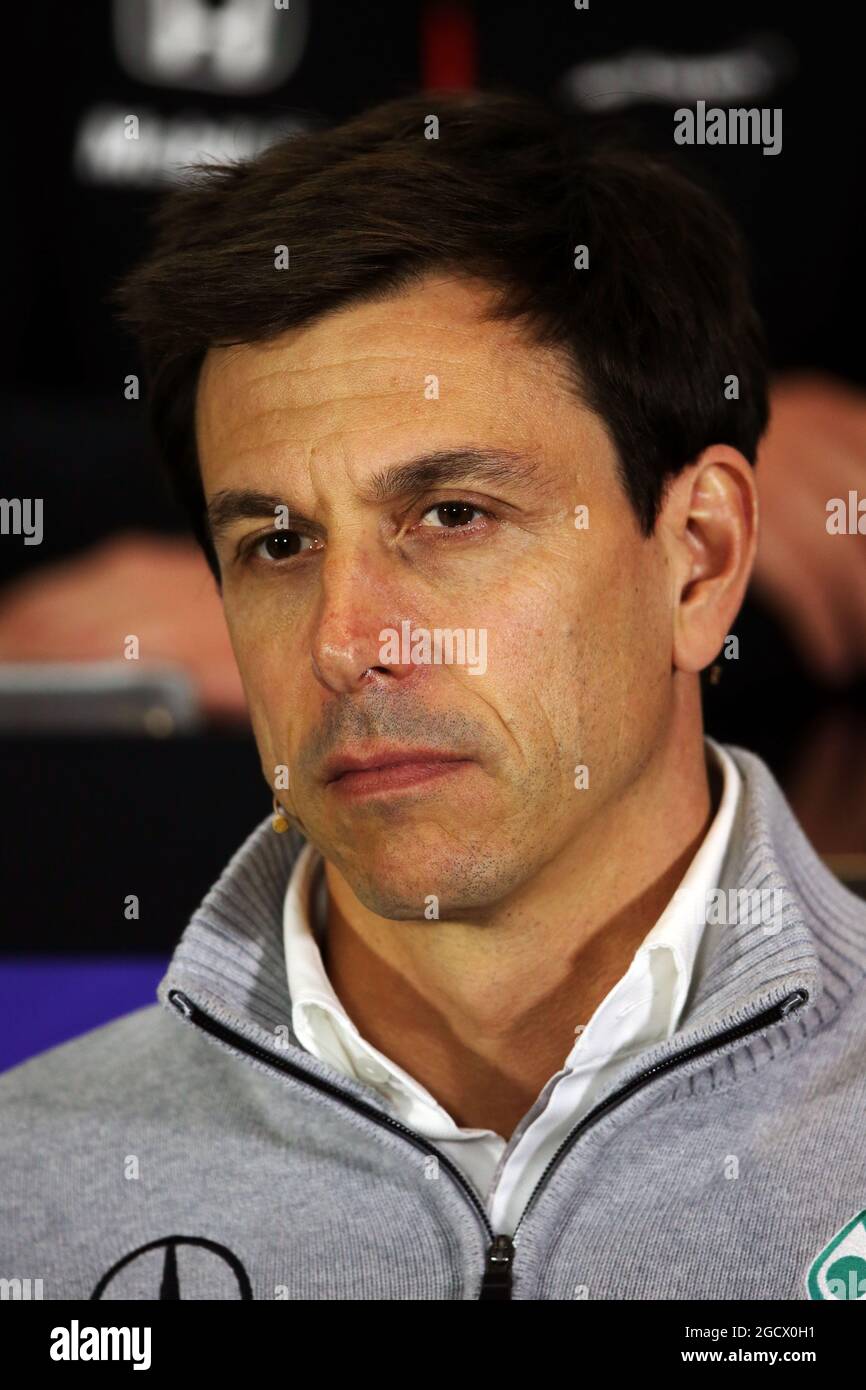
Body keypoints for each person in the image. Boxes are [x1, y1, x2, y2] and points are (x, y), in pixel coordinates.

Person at [1, 90, 863, 1301]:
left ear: (700, 557)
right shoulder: (24, 1191)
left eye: (451, 515)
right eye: (276, 543)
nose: (345, 642)